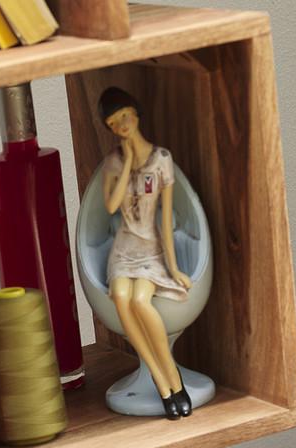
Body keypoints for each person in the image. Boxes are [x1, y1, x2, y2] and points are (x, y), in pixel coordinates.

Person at [99, 86, 193, 419]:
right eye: (113, 123)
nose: (121, 125)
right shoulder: (113, 162)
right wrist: (126, 166)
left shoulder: (162, 160)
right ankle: (161, 381)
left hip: (150, 249)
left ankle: (175, 381)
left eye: (125, 116)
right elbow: (110, 205)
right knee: (122, 297)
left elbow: (165, 219)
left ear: (137, 115)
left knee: (141, 301)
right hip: (123, 250)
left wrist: (174, 267)